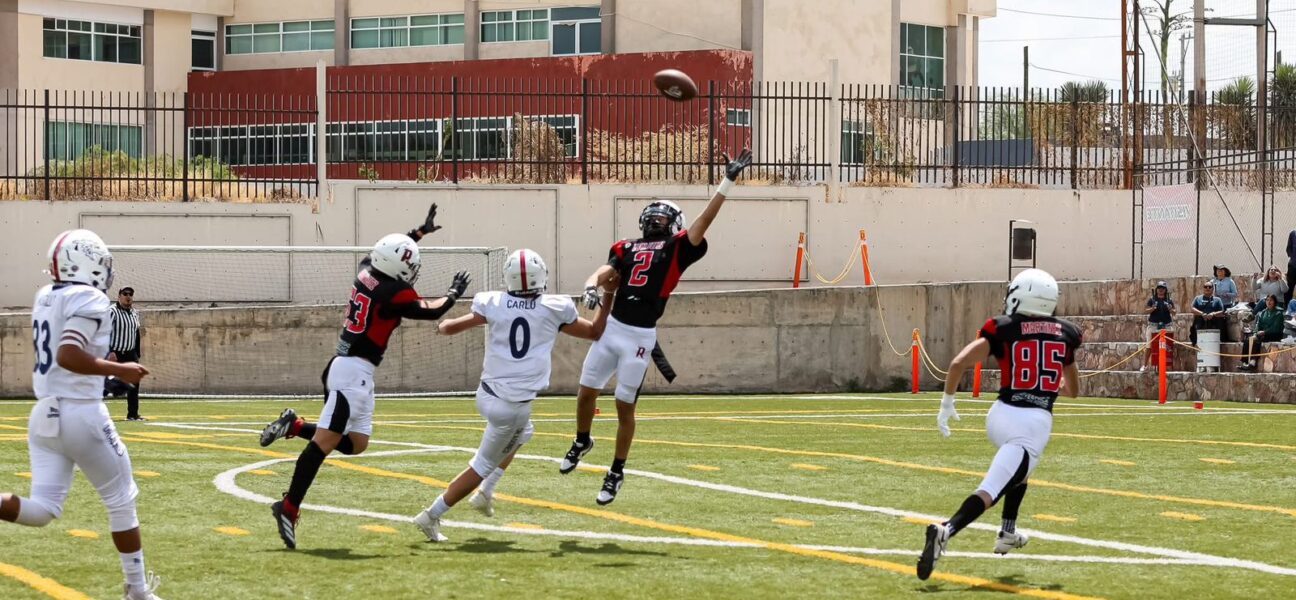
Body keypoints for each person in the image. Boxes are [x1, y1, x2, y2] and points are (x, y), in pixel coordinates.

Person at [257, 204, 470, 550]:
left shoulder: (366, 271)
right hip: (352, 373)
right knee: (324, 443)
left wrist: (417, 233)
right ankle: (289, 507)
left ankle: (295, 425)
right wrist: (454, 293)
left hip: (349, 369)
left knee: (356, 443)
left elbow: (386, 255)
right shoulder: (393, 292)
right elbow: (432, 312)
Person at [557, 149, 754, 506]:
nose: (657, 218)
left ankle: (616, 471)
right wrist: (590, 284)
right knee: (585, 393)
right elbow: (607, 269)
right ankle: (582, 440)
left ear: (674, 223)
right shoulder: (626, 246)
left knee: (623, 405)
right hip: (613, 328)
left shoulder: (678, 247)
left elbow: (704, 221)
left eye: (664, 216)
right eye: (654, 214)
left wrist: (727, 181)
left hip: (639, 336)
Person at [413, 250, 616, 542]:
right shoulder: (553, 307)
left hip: (486, 394)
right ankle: (431, 515)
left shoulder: (494, 302)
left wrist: (442, 326)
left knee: (524, 433)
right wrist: (609, 293)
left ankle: (486, 492)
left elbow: (448, 327)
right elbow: (595, 331)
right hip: (511, 408)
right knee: (482, 465)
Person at [0, 230, 161, 599]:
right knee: (122, 501)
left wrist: (105, 368)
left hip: (44, 414)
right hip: (81, 413)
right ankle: (137, 591)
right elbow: (69, 355)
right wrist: (119, 369)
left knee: (43, 510)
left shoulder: (46, 295)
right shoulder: (89, 297)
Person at [916, 268, 1082, 581]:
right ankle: (946, 530)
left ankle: (1008, 531)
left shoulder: (1004, 328)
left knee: (1020, 473)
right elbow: (1073, 390)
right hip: (1032, 424)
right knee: (991, 490)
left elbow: (958, 363)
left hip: (999, 415)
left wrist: (946, 404)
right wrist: (1050, 384)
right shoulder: (1067, 333)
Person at [107, 286, 144, 420]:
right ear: (119, 296)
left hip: (130, 353)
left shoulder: (134, 313)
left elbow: (136, 333)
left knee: (134, 383)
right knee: (106, 382)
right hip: (115, 354)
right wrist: (110, 351)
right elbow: (104, 332)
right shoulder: (112, 311)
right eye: (125, 294)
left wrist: (137, 353)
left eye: (130, 294)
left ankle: (133, 414)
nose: (128, 297)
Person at [1240, 294, 1284, 371]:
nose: (1269, 302)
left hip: (1274, 334)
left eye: (1271, 300)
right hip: (1262, 334)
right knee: (1248, 340)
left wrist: (1264, 332)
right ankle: (1244, 362)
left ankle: (1253, 362)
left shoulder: (1279, 313)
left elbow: (1275, 327)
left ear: (1274, 302)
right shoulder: (1263, 313)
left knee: (1258, 339)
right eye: (1267, 300)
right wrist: (1256, 333)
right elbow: (1258, 325)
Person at [1141, 281, 1175, 372]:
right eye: (1159, 288)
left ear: (1165, 290)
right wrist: (1152, 308)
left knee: (1168, 346)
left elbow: (1174, 312)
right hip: (1153, 325)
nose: (1161, 290)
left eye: (1162, 288)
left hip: (1166, 325)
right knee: (1149, 345)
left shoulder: (1169, 300)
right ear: (1156, 289)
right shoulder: (1152, 299)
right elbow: (1145, 310)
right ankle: (1145, 365)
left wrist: (1170, 309)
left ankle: (1167, 366)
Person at [1189, 281, 1225, 346]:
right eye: (1205, 287)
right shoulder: (1197, 298)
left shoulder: (1217, 300)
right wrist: (1202, 314)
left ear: (1213, 289)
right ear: (1203, 288)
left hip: (1214, 324)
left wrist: (1213, 314)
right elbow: (1192, 309)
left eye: (1209, 287)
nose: (1207, 288)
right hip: (1200, 323)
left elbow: (1222, 311)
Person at [1286, 228, 1296, 305]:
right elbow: (1288, 248)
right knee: (1289, 287)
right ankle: (1287, 306)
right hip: (1293, 266)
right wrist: (1293, 257)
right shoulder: (1293, 233)